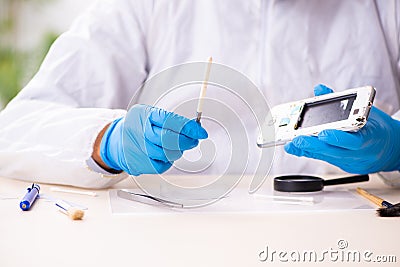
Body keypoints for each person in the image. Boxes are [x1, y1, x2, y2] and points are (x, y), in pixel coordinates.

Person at [0, 0, 399, 188]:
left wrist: (397, 148)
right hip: (177, 244)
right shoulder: (145, 8)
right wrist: (108, 141)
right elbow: (16, 127)